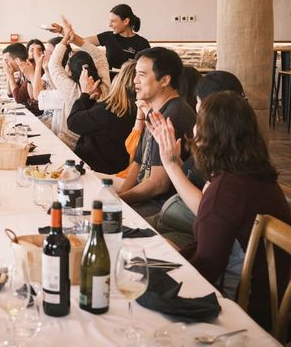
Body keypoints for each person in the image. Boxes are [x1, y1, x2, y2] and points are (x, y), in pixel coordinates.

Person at [159, 92, 290, 331]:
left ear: (211, 135)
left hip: (242, 315)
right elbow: (210, 246)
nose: (194, 129)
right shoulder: (257, 176)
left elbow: (206, 270)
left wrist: (166, 268)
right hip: (268, 305)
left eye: (199, 122)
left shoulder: (226, 191)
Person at [144, 71, 245, 248]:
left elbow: (207, 209)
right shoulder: (218, 141)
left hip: (188, 232)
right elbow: (194, 178)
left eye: (198, 103)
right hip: (172, 220)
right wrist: (173, 158)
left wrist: (171, 165)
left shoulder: (231, 151)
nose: (195, 108)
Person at [117, 47, 196, 217]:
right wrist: (118, 196)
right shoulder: (155, 110)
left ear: (165, 80)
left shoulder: (172, 116)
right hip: (146, 198)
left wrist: (119, 201)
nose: (134, 81)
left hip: (163, 207)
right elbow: (137, 163)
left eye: (142, 75)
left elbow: (158, 184)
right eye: (136, 74)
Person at [40, 18, 110, 147]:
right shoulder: (105, 85)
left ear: (70, 72)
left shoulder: (72, 89)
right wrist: (67, 37)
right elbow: (99, 56)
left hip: (71, 144)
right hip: (98, 144)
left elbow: (53, 64)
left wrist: (65, 39)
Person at [66, 60, 136, 174]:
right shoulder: (136, 112)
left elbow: (73, 122)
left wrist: (84, 94)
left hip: (92, 170)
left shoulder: (109, 110)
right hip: (115, 167)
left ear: (120, 80)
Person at [81, 4, 151, 69]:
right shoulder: (108, 36)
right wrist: (71, 35)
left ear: (126, 21)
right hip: (109, 81)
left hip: (129, 81)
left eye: (113, 21)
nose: (110, 25)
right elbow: (82, 42)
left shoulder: (143, 43)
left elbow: (147, 69)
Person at [1, 42, 43, 115]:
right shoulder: (22, 71)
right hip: (30, 112)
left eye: (6, 60)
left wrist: (10, 76)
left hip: (37, 115)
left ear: (16, 60)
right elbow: (10, 94)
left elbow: (18, 98)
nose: (5, 64)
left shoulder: (31, 68)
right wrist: (9, 74)